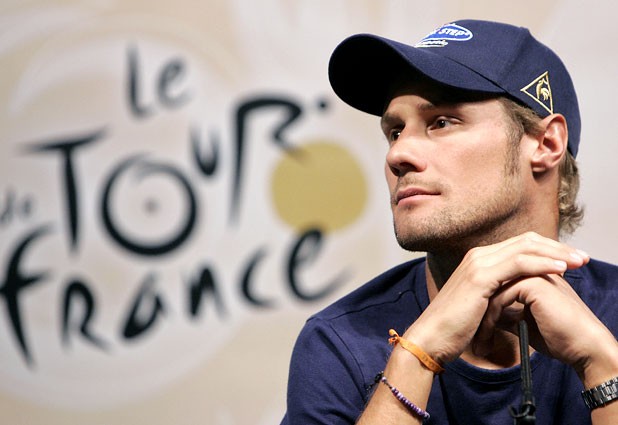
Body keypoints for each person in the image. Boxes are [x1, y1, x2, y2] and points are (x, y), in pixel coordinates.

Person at [280, 19, 618, 425]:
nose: (397, 155)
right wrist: (415, 357)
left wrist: (602, 364)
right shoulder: (340, 343)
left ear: (546, 144)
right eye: (395, 132)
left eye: (441, 122)